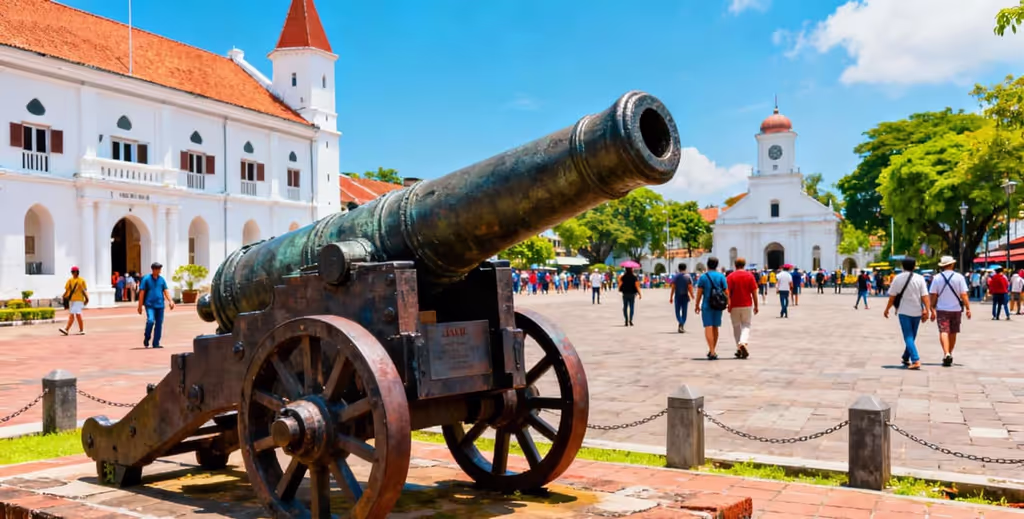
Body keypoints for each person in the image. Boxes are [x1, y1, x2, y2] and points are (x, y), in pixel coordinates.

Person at [883, 257, 931, 370]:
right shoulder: (920, 278)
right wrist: (927, 310)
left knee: (908, 336)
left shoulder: (897, 278)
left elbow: (892, 297)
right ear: (914, 266)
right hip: (917, 311)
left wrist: (887, 309)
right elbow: (925, 296)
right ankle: (906, 356)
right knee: (912, 336)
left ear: (902, 266)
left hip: (904, 311)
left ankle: (915, 359)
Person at [929, 256, 971, 367]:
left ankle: (946, 353)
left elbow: (933, 294)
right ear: (952, 264)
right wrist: (968, 308)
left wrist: (931, 308)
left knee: (943, 331)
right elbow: (964, 294)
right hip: (956, 309)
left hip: (942, 309)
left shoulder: (937, 278)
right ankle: (950, 353)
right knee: (953, 332)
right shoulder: (959, 277)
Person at [695, 257, 728, 360]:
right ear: (717, 265)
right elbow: (726, 291)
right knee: (715, 327)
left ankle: (712, 351)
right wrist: (728, 303)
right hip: (718, 304)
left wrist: (696, 304)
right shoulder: (721, 276)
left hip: (707, 305)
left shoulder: (703, 277)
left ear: (707, 264)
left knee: (708, 326)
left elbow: (699, 292)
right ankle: (712, 349)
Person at [138, 262, 175, 349]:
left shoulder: (161, 280)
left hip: (160, 305)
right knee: (150, 321)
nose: (159, 271)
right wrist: (139, 306)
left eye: (159, 269)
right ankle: (147, 337)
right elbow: (142, 292)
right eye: (157, 269)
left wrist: (170, 300)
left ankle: (156, 343)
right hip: (150, 305)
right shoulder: (146, 279)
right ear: (153, 269)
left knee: (159, 324)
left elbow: (165, 290)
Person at [727, 257, 758, 359]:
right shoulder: (749, 276)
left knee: (736, 327)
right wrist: (756, 305)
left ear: (735, 265)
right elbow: (754, 292)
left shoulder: (731, 276)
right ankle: (743, 343)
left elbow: (727, 292)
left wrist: (729, 304)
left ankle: (739, 348)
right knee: (746, 325)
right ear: (744, 265)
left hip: (735, 305)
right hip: (746, 304)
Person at [60, 266, 88, 336]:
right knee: (75, 315)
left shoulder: (81, 280)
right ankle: (80, 330)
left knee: (75, 315)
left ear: (77, 272)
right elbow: (67, 290)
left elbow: (84, 291)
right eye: (72, 272)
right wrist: (63, 296)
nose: (73, 273)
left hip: (79, 300)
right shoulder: (70, 280)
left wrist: (87, 298)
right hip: (72, 300)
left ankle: (67, 329)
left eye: (74, 272)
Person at [669, 264, 694, 333]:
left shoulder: (676, 276)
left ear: (679, 268)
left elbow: (673, 287)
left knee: (677, 311)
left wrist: (671, 297)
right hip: (685, 296)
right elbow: (690, 287)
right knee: (684, 311)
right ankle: (682, 324)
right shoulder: (688, 276)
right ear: (685, 268)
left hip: (677, 296)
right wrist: (692, 295)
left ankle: (680, 322)